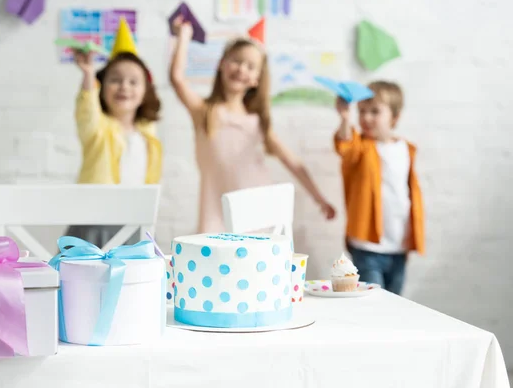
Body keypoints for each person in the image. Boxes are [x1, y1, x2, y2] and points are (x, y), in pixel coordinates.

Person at [169, 16, 335, 233]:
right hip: (214, 210)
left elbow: (293, 162)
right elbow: (177, 78)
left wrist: (319, 198)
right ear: (221, 64)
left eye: (250, 66)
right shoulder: (204, 112)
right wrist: (183, 37)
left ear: (257, 78)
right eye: (236, 60)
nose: (241, 69)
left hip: (256, 211)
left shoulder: (257, 123)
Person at [65, 18, 162, 247]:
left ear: (145, 91)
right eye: (115, 80)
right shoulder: (98, 130)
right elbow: (87, 111)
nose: (124, 87)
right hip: (95, 222)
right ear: (102, 86)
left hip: (134, 222)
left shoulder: (147, 134)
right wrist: (88, 74)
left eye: (133, 81)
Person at [334, 81, 425, 295]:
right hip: (367, 247)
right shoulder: (361, 148)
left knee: (395, 304)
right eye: (362, 111)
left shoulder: (406, 149)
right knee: (373, 304)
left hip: (398, 246)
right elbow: (345, 146)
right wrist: (345, 119)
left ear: (395, 117)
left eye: (375, 111)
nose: (366, 118)